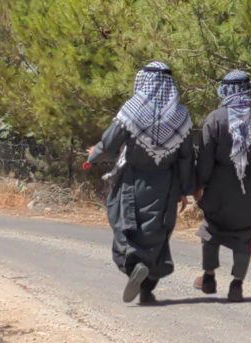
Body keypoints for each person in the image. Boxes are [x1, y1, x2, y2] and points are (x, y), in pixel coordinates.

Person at [86, 61, 195, 304]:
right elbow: (186, 156)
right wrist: (185, 189)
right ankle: (147, 290)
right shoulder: (181, 114)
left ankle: (133, 267)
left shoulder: (133, 109)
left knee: (125, 225)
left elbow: (109, 144)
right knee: (157, 233)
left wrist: (92, 158)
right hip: (166, 184)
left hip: (131, 181)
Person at [193, 70, 251, 302]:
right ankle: (236, 285)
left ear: (224, 91)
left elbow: (205, 158)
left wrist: (199, 185)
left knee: (211, 231)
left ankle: (209, 277)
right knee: (245, 235)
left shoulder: (214, 118)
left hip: (219, 185)